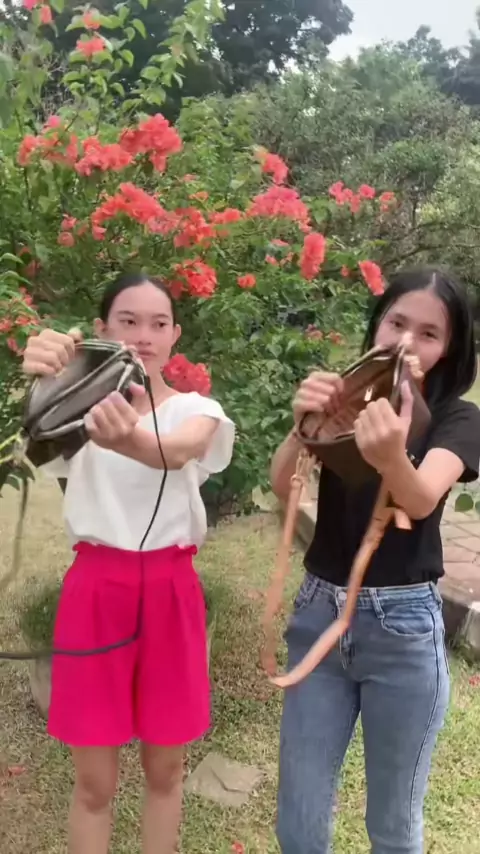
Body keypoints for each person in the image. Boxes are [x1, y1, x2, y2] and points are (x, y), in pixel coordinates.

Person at [22, 272, 235, 854]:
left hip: (171, 590)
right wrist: (42, 376)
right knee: (94, 784)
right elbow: (30, 436)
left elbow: (184, 450)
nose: (144, 335)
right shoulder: (72, 409)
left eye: (158, 323)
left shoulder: (198, 408)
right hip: (96, 589)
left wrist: (128, 441)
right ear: (102, 329)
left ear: (175, 336)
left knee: (166, 772)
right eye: (128, 321)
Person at [269, 266, 480, 854]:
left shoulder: (459, 418)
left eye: (429, 333)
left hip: (404, 627)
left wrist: (391, 455)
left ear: (450, 347)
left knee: (393, 825)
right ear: (377, 324)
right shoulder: (347, 393)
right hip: (320, 614)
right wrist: (301, 426)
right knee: (299, 819)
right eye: (396, 323)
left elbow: (419, 497)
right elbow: (283, 485)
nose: (407, 342)